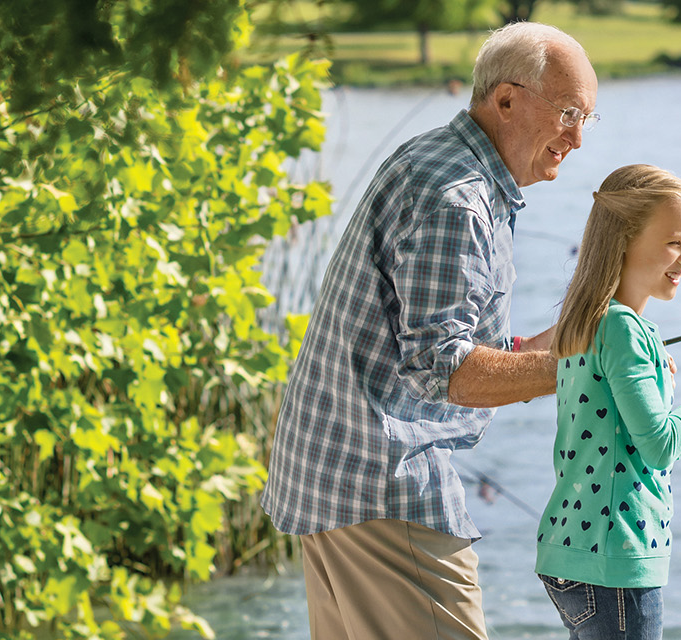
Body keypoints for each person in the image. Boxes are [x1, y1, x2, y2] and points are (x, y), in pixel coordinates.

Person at [261, 21, 599, 640]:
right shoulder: (457, 196)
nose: (577, 138)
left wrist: (578, 336)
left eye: (588, 119)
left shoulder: (438, 158)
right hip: (382, 487)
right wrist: (589, 372)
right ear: (505, 100)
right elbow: (444, 371)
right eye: (569, 113)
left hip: (336, 478)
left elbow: (445, 347)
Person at [534, 164, 681, 640]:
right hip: (615, 559)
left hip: (578, 551)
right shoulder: (621, 328)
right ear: (623, 238)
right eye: (673, 242)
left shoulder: (593, 322)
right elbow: (660, 446)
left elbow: (638, 446)